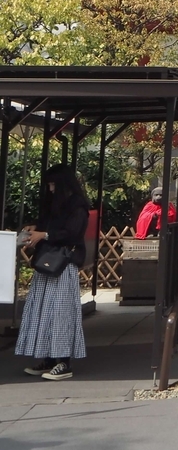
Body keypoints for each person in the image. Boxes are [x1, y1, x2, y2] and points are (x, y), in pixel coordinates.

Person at [17, 163, 89, 380]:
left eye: (52, 184)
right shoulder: (56, 204)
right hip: (48, 262)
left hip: (63, 265)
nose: (50, 189)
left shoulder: (78, 206)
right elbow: (50, 226)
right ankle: (49, 358)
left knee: (61, 313)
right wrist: (35, 229)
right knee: (43, 312)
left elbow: (72, 233)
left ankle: (64, 361)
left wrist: (44, 235)